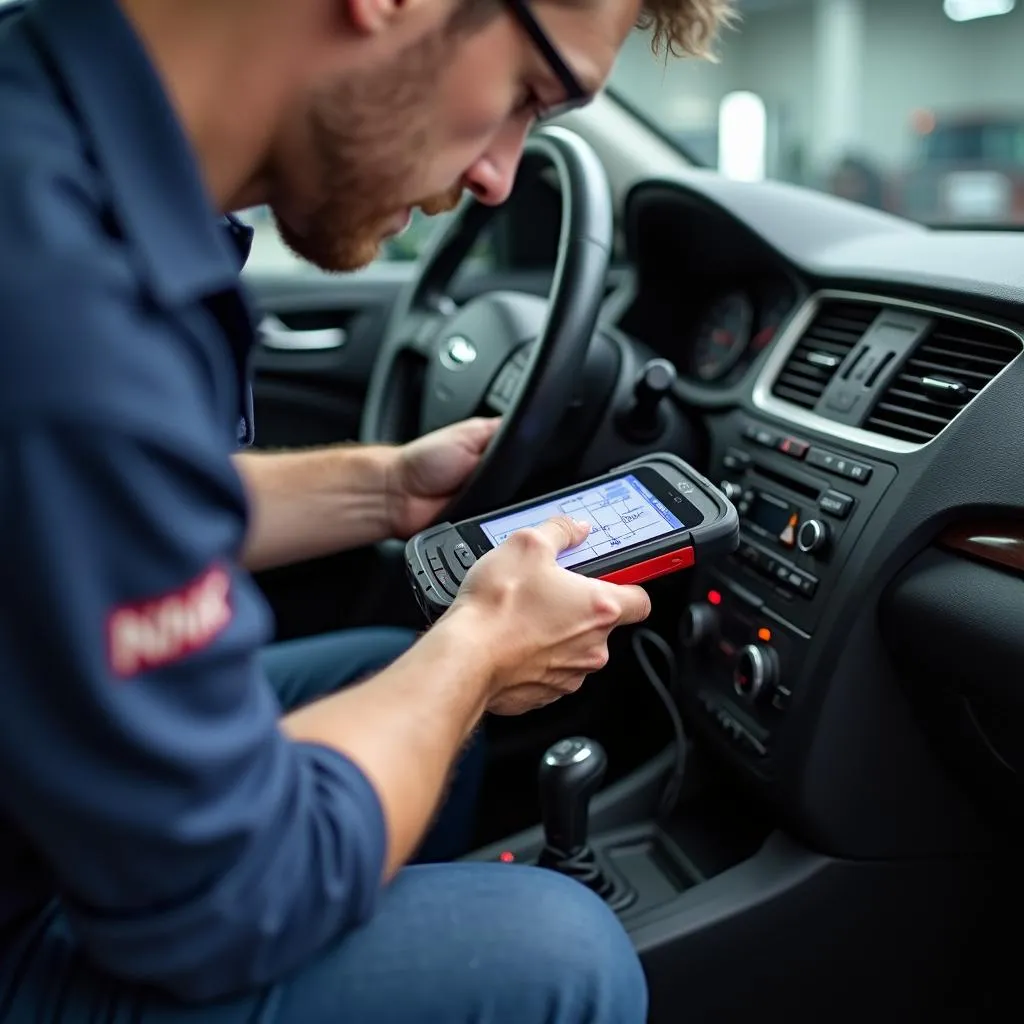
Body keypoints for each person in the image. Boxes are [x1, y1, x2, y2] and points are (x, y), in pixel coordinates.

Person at [0, 0, 733, 1021]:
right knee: (565, 955)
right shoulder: (65, 304)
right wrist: (476, 653)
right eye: (525, 92)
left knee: (372, 669)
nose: (498, 176)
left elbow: (102, 507)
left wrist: (382, 488)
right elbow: (225, 896)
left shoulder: (61, 139)